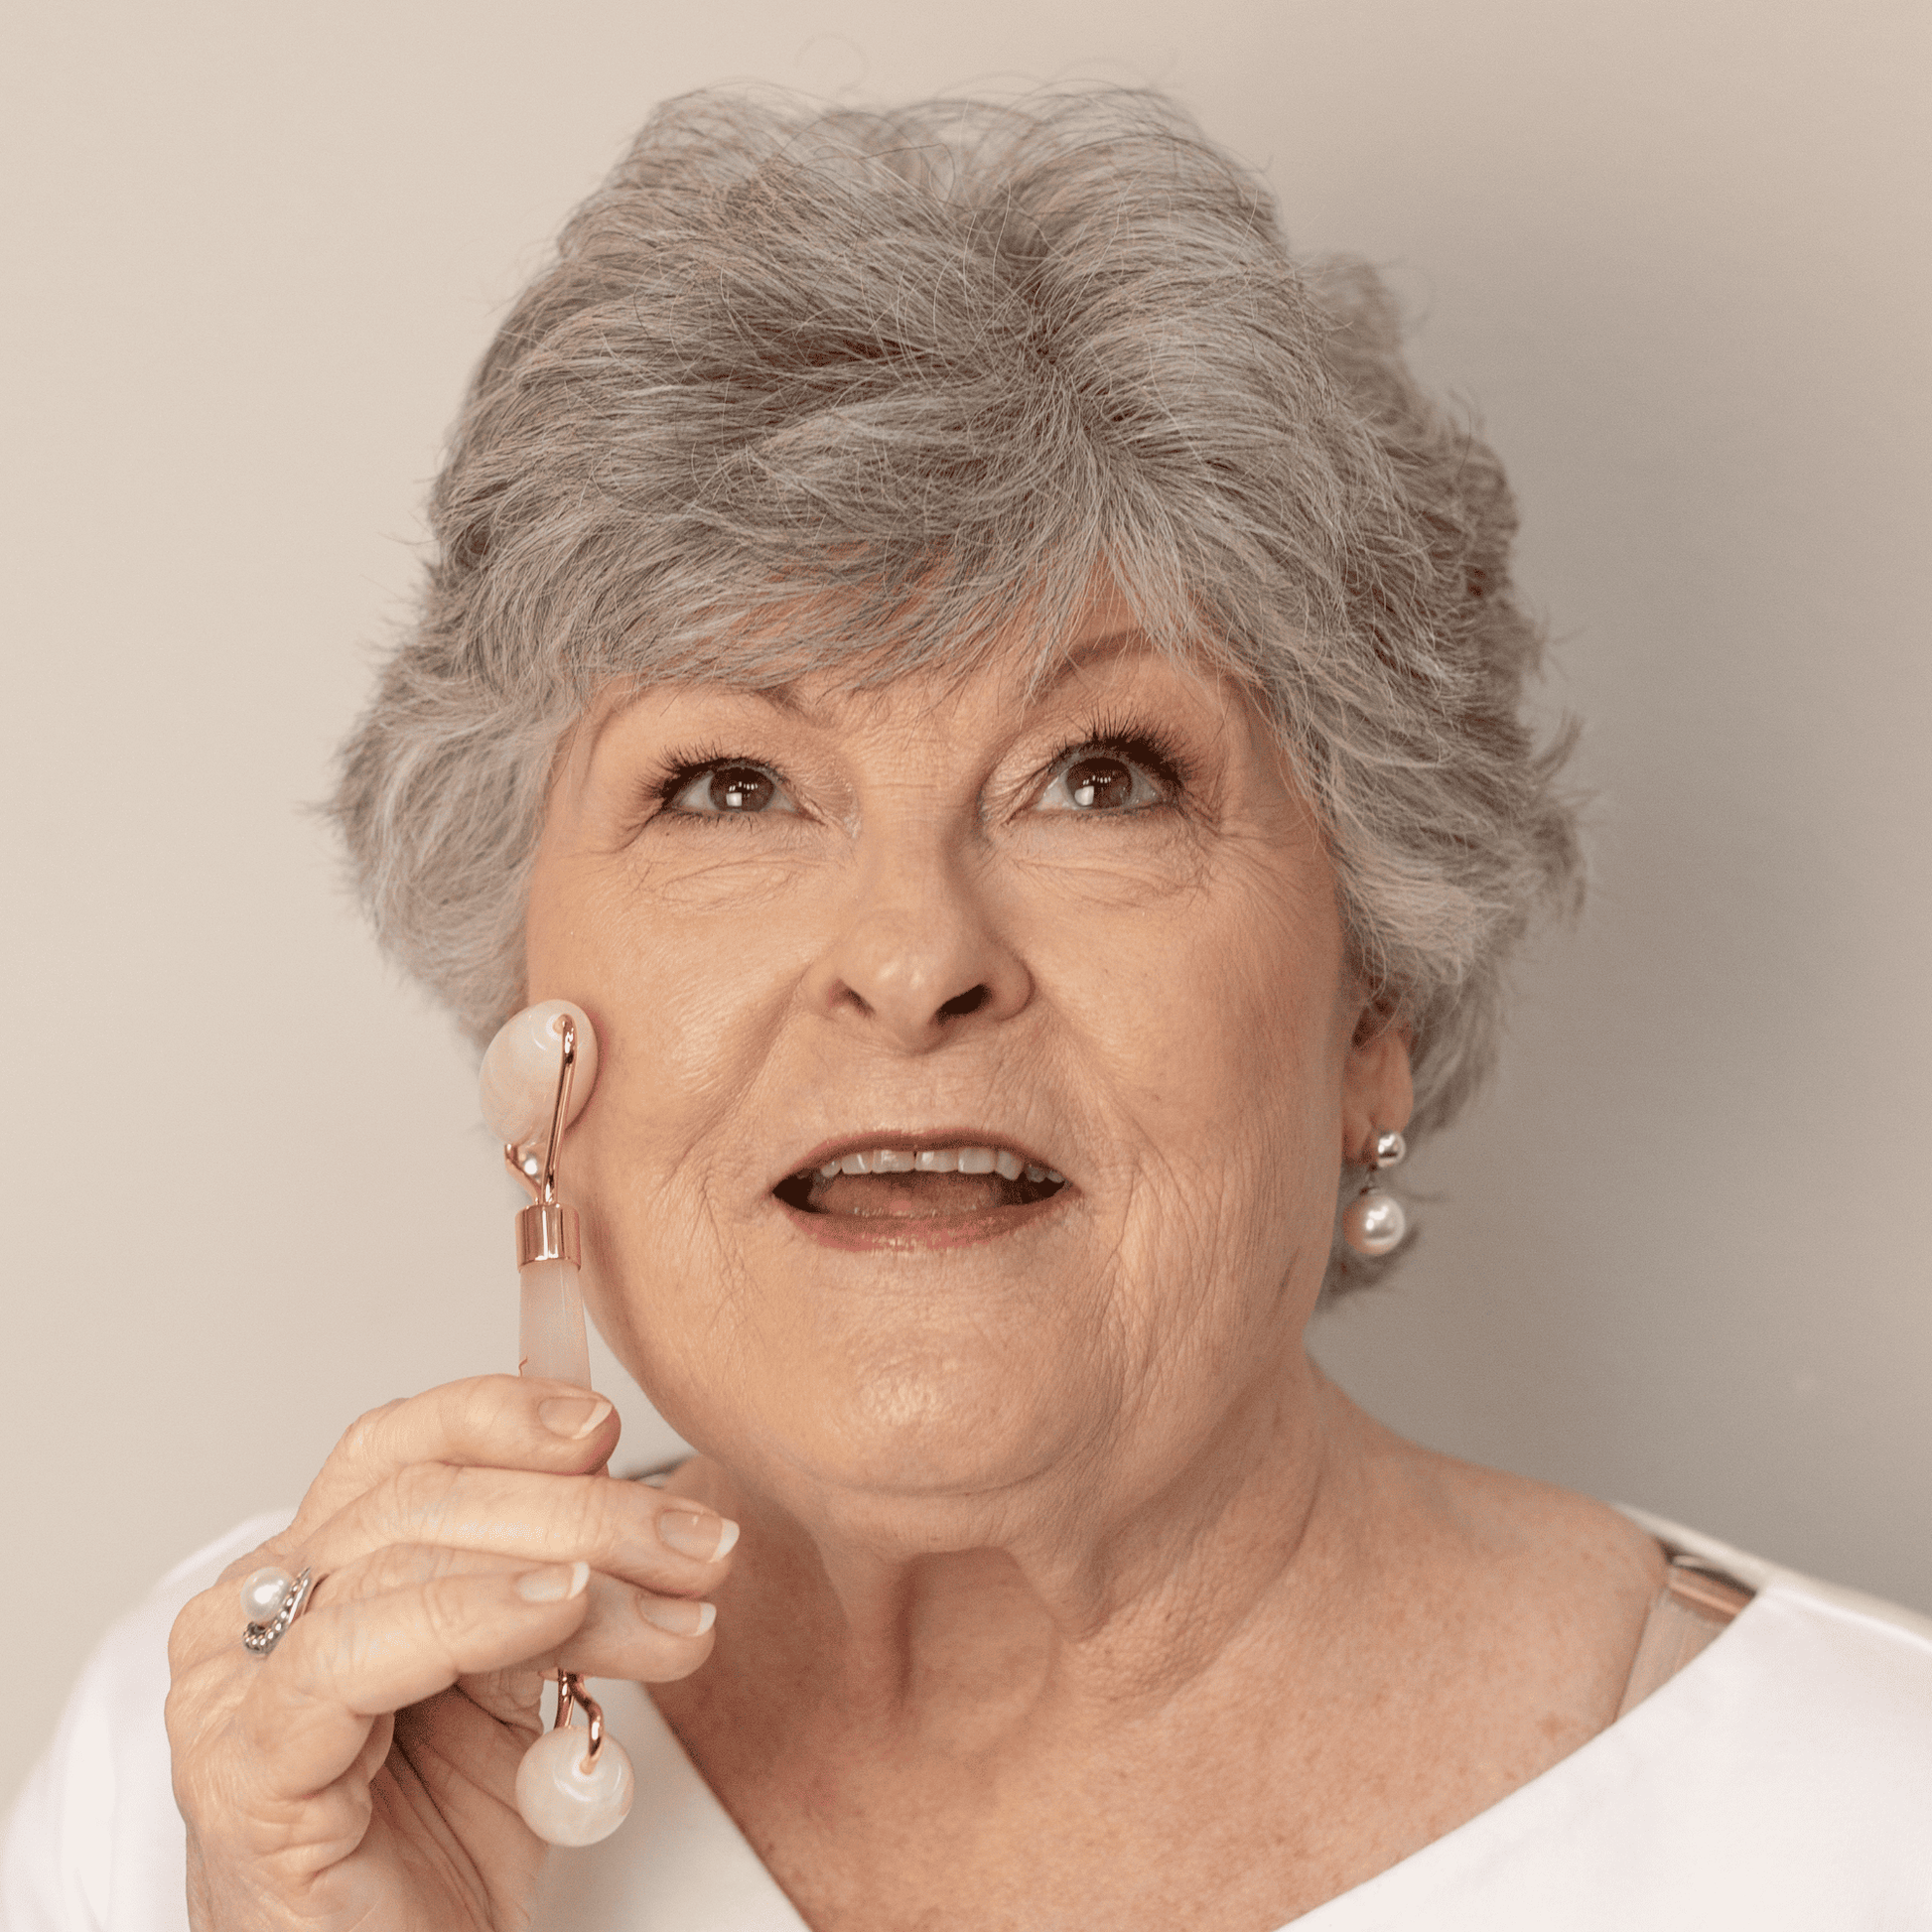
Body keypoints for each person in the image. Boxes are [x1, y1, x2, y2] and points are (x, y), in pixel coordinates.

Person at [6, 87, 1929, 1932]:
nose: (914, 954)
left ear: (1372, 1010)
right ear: (533, 1029)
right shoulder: (239, 1770)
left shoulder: (1873, 1829)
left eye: (1099, 778)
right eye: (731, 786)